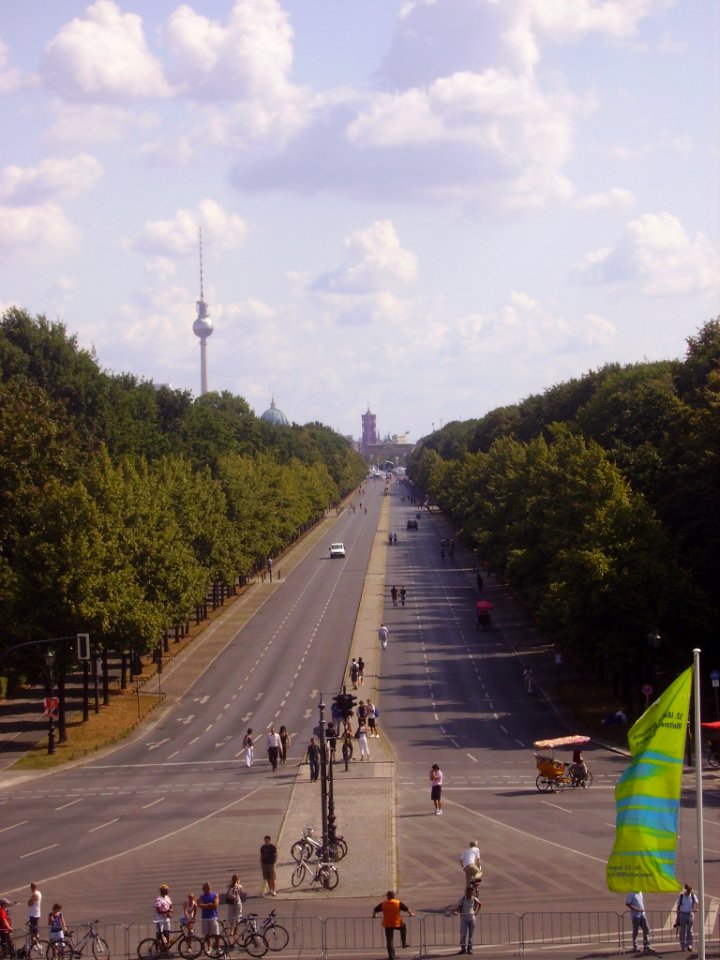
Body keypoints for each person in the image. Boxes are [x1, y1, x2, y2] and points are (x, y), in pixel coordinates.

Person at [372, 891, 415, 960]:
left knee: (389, 940)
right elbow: (407, 909)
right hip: (397, 923)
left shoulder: (383, 904)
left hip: (387, 924)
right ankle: (404, 943)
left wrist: (374, 915)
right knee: (403, 927)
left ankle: (391, 956)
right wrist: (411, 914)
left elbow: (375, 909)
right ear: (394, 896)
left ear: (387, 896)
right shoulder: (397, 903)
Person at [454, 886, 481, 954]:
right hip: (464, 919)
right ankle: (463, 948)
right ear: (465, 892)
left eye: (470, 892)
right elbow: (459, 907)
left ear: (472, 893)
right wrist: (457, 912)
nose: (468, 894)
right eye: (467, 892)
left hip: (472, 919)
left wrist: (477, 912)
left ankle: (470, 949)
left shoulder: (474, 899)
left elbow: (480, 904)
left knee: (471, 935)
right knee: (463, 934)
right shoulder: (462, 899)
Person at [674, 883, 698, 952]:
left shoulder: (693, 896)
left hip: (690, 914)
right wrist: (677, 917)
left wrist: (696, 908)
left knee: (690, 931)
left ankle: (689, 945)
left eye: (690, 890)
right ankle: (683, 946)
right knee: (682, 931)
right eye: (688, 890)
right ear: (686, 890)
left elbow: (698, 903)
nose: (689, 892)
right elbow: (678, 906)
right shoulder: (681, 896)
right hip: (682, 914)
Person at [198, 883, 220, 953]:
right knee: (207, 934)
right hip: (205, 918)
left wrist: (206, 906)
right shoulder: (202, 896)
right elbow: (199, 905)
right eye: (203, 889)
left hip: (213, 917)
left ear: (209, 888)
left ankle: (218, 948)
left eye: (204, 888)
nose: (204, 890)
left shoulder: (215, 895)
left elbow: (216, 904)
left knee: (216, 934)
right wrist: (209, 905)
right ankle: (209, 948)